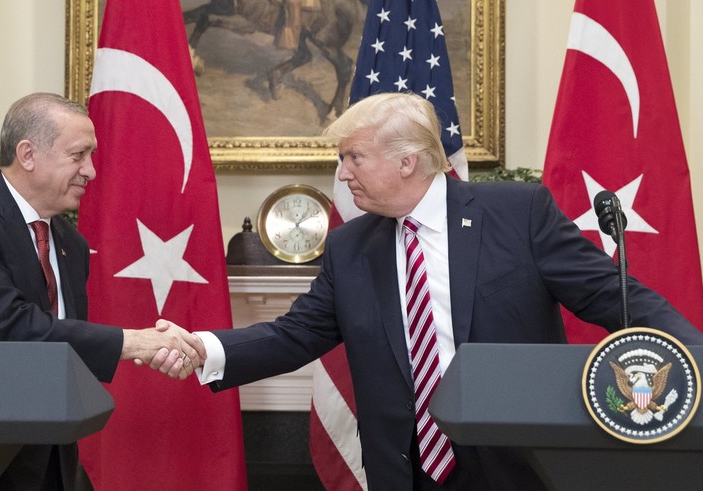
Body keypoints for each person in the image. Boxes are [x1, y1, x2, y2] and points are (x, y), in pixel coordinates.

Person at [155, 92, 703, 490]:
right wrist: (206, 348)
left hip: (515, 459)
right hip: (405, 467)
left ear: (406, 161)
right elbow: (296, 334)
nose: (342, 175)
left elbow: (615, 298)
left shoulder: (518, 214)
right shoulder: (351, 248)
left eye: (353, 158)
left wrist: (694, 358)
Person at [0, 92, 203, 491]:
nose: (91, 171)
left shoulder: (70, 242)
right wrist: (135, 342)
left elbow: (63, 348)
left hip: (51, 454)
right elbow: (8, 324)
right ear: (28, 154)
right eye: (78, 155)